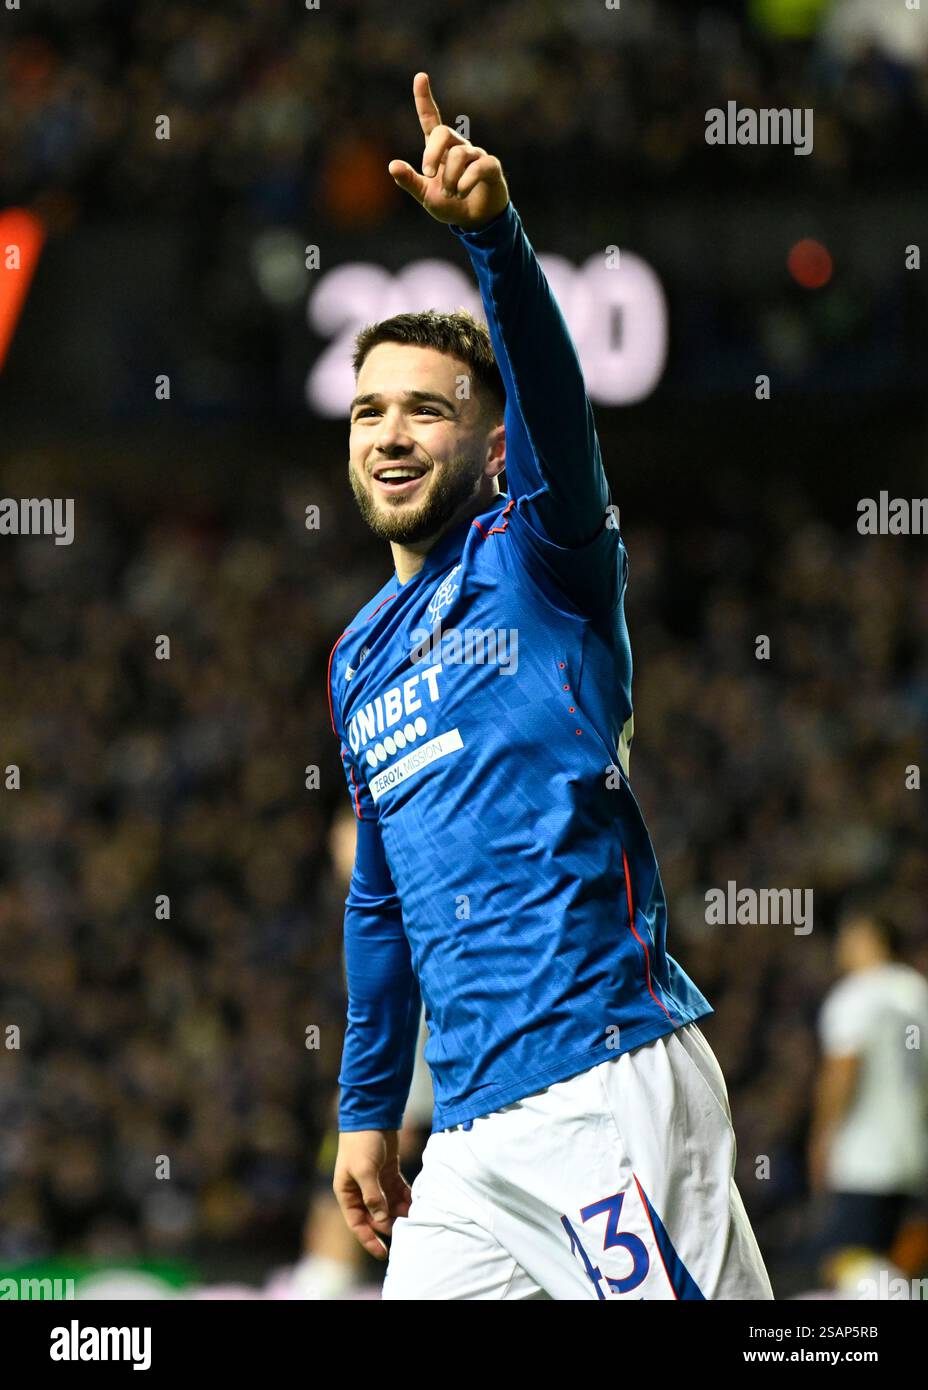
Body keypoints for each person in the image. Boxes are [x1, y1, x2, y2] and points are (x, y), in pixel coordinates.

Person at [328, 72, 773, 1300]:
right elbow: (382, 894)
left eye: (428, 409)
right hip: (465, 1140)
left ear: (491, 442)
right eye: (370, 412)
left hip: (601, 1083)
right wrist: (369, 1106)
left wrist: (494, 241)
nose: (393, 434)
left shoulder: (544, 562)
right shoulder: (357, 654)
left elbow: (559, 405)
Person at [810, 904, 928, 1282]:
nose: (841, 945)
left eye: (849, 935)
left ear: (870, 939)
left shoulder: (856, 995)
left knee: (842, 1262)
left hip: (865, 1156)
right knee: (893, 1263)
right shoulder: (917, 992)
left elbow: (843, 1070)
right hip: (913, 1153)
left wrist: (822, 1137)